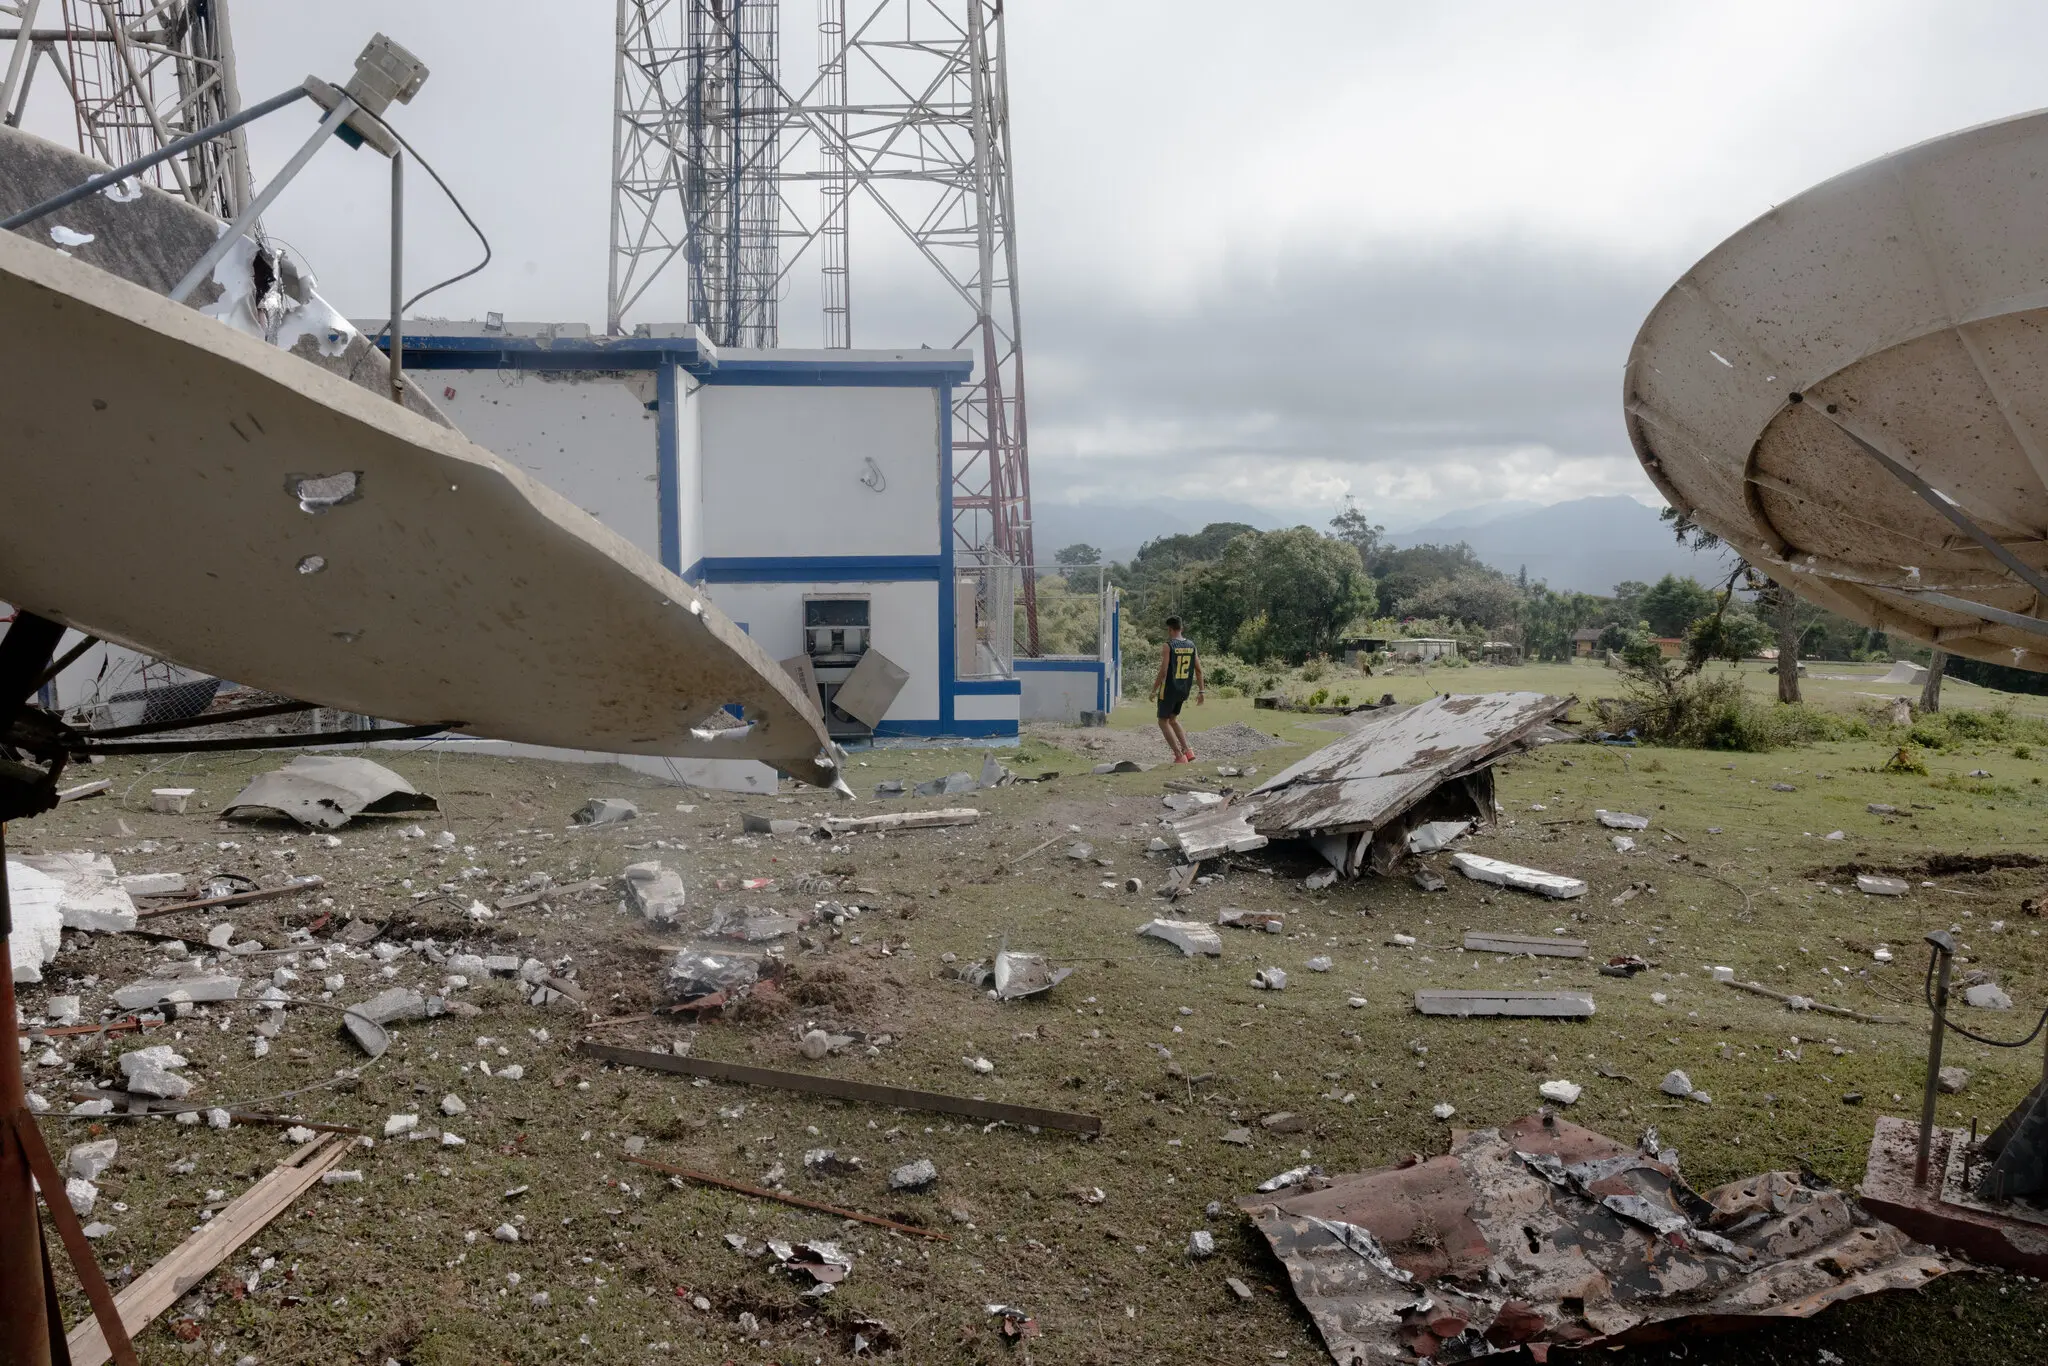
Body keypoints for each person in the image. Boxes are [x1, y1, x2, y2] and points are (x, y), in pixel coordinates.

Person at [1150, 616, 1204, 763]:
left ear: (1170, 629)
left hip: (1169, 689)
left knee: (1163, 721)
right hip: (1183, 690)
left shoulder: (1168, 646)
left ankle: (1179, 756)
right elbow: (1198, 670)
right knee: (1173, 719)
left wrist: (1154, 690)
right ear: (1182, 628)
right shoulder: (1191, 645)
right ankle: (1188, 751)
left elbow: (1163, 671)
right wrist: (1201, 691)